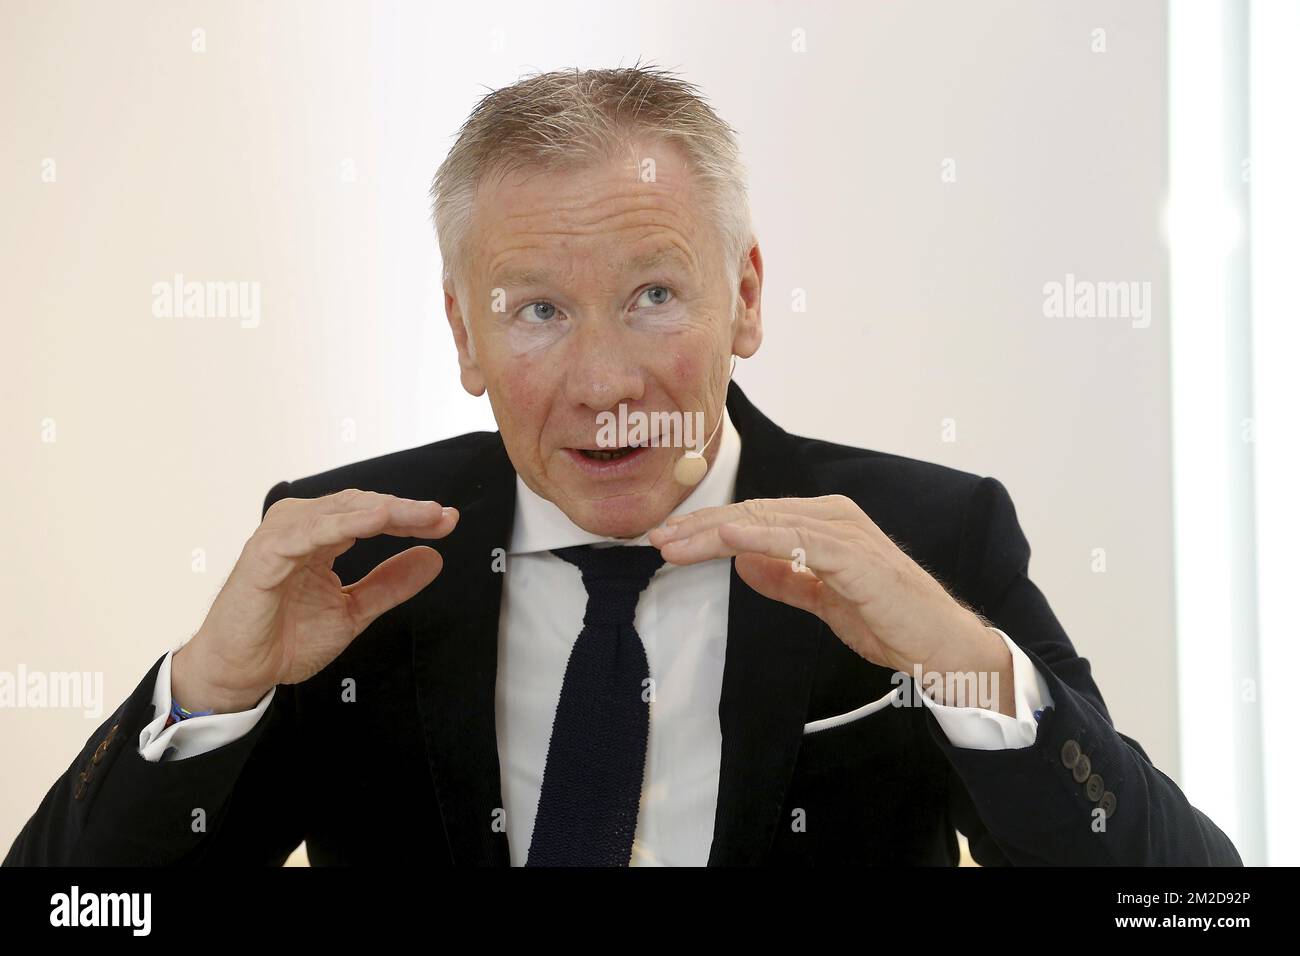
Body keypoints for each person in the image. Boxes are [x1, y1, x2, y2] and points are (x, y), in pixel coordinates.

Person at [5, 64, 1241, 866]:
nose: (602, 383)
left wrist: (966, 665)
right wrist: (209, 691)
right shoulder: (353, 564)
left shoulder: (931, 533)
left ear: (744, 293)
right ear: (462, 334)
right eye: (536, 309)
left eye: (653, 294)